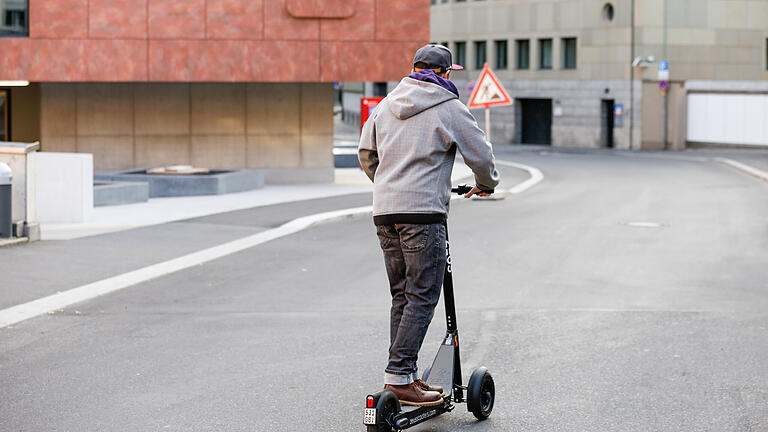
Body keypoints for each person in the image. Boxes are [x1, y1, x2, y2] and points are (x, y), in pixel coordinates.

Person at [358, 44, 500, 407]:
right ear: (444, 73)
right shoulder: (448, 106)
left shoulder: (386, 105)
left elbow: (366, 154)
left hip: (385, 212)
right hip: (422, 214)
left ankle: (402, 376)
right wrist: (487, 183)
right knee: (422, 296)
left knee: (402, 296)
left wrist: (389, 185)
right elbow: (480, 155)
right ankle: (400, 377)